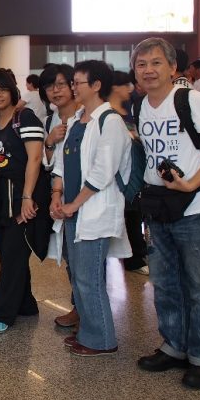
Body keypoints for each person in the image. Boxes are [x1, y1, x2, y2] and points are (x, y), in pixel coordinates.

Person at [133, 37, 200, 389]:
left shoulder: (191, 100)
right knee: (165, 283)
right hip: (159, 205)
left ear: (172, 67)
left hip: (194, 206)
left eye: (156, 62)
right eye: (142, 64)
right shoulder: (141, 106)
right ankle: (174, 345)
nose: (148, 70)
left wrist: (192, 184)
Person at [50, 61, 132, 355]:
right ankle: (88, 331)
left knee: (89, 279)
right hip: (72, 211)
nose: (72, 88)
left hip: (92, 211)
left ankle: (102, 340)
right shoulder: (75, 121)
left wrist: (74, 204)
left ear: (96, 85)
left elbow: (102, 172)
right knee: (79, 277)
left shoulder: (109, 121)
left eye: (77, 83)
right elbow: (60, 162)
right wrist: (56, 195)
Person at [0, 69, 45, 335]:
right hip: (1, 194)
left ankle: (3, 314)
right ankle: (26, 304)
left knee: (12, 254)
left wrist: (27, 197)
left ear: (12, 91)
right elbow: (0, 161)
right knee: (8, 252)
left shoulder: (25, 117)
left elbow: (34, 159)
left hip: (21, 193)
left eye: (2, 90)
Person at [39, 63, 81, 328]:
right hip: (61, 195)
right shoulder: (51, 119)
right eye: (50, 86)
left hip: (85, 195)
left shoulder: (87, 115)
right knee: (70, 255)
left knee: (86, 257)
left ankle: (87, 310)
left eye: (61, 84)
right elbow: (50, 163)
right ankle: (80, 306)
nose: (55, 91)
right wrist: (50, 141)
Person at [110, 70, 147, 273]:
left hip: (135, 169)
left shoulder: (129, 109)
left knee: (133, 213)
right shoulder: (109, 114)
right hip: (120, 173)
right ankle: (132, 258)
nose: (130, 89)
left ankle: (135, 254)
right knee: (128, 214)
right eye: (126, 85)